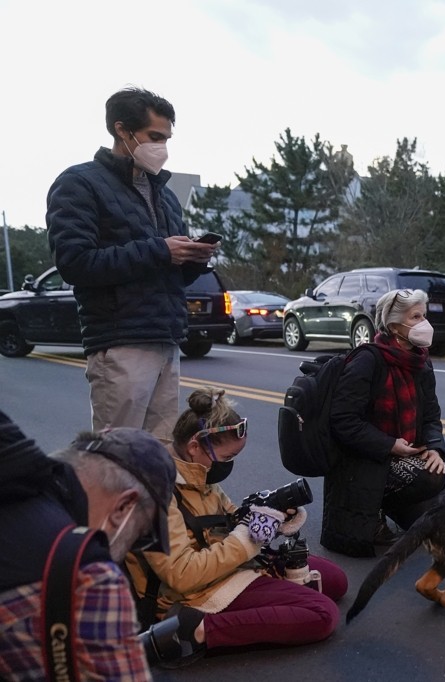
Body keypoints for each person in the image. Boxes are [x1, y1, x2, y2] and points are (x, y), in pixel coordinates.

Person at [124, 388, 348, 667]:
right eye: (227, 458)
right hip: (194, 591)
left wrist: (273, 516)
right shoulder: (155, 491)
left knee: (335, 580)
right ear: (195, 445)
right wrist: (248, 538)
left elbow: (230, 518)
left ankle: (274, 601)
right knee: (323, 615)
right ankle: (196, 629)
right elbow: (181, 576)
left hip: (226, 563)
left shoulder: (195, 470)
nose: (228, 465)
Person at [46, 87, 219, 442]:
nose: (163, 148)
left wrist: (193, 259)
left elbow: (171, 270)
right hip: (120, 340)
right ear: (121, 130)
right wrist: (161, 251)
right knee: (119, 457)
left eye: (167, 138)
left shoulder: (165, 195)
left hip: (166, 337)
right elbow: (75, 263)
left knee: (161, 456)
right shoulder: (79, 183)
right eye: (154, 137)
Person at [0, 412, 176, 681]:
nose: (129, 549)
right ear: (124, 507)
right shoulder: (90, 578)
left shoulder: (13, 484)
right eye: (140, 534)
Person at [321, 288, 445, 557]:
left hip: (404, 452)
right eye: (415, 317)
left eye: (424, 315)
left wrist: (435, 448)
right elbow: (343, 421)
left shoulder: (421, 362)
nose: (424, 324)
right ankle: (376, 506)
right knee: (429, 480)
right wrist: (390, 445)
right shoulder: (367, 360)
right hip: (365, 458)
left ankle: (389, 502)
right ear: (394, 325)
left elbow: (431, 415)